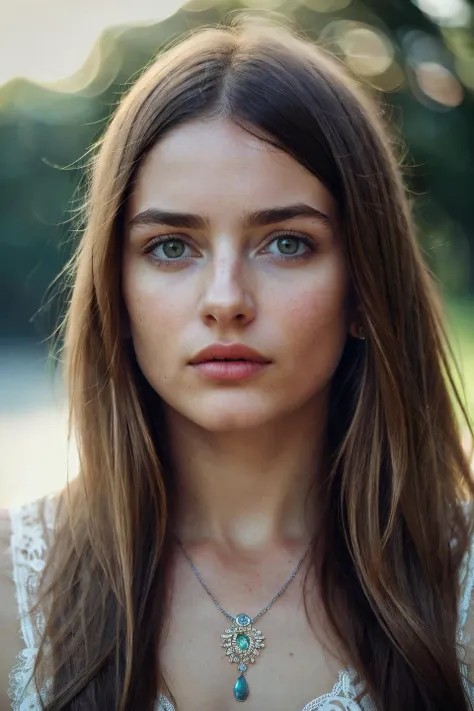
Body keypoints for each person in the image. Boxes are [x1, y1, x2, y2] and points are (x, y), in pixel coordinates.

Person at [1, 14, 474, 711]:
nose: (226, 300)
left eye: (286, 243)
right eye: (170, 246)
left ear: (364, 288)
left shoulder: (461, 588)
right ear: (117, 292)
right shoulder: (13, 589)